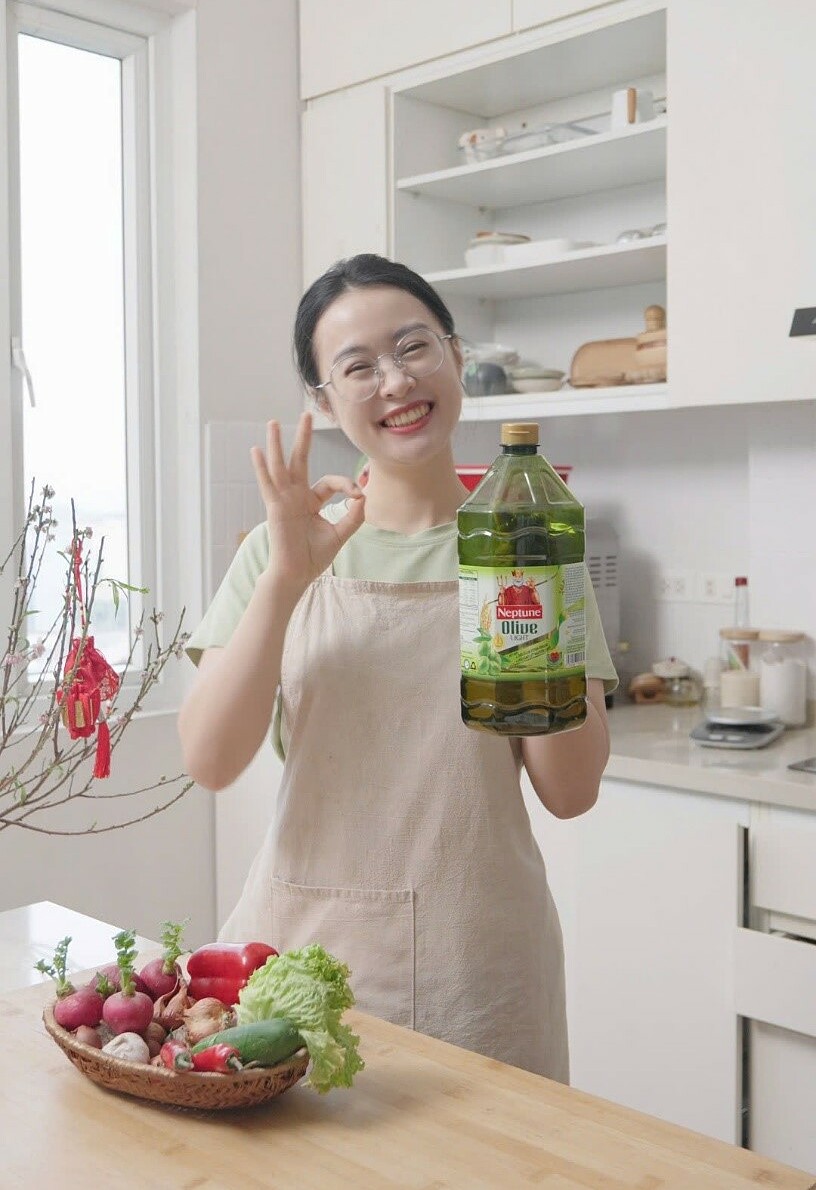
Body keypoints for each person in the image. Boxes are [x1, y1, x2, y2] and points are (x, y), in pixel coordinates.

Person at [178, 253, 618, 1082]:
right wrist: (284, 579)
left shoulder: (531, 547)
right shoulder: (283, 551)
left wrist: (530, 600)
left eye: (414, 346)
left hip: (480, 964)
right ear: (323, 401)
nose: (396, 380)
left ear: (455, 355)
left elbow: (570, 791)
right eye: (358, 366)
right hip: (306, 959)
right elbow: (210, 759)